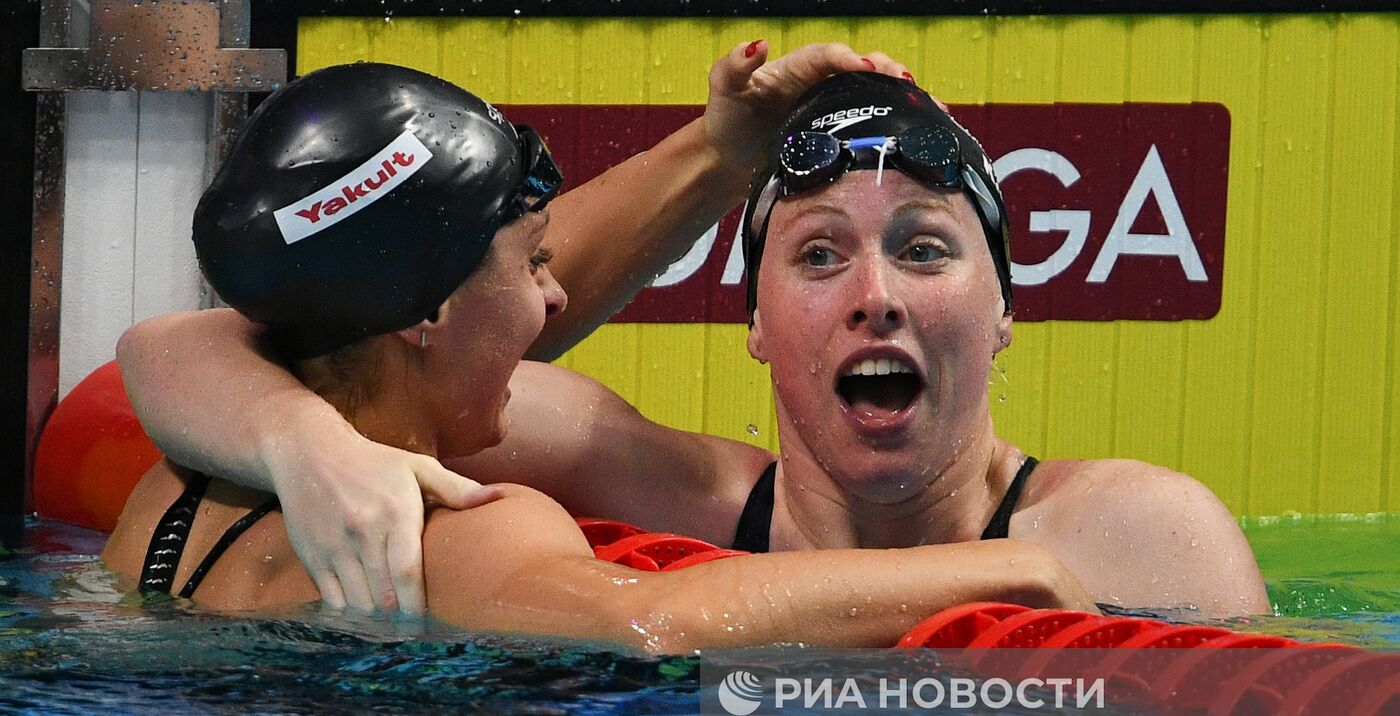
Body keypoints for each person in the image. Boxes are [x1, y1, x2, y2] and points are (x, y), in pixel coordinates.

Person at [118, 67, 1266, 620]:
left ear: (1005, 306)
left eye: (923, 249)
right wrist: (296, 435)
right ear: (755, 325)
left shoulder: (1139, 536)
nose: (875, 295)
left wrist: (292, 434)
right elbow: (204, 340)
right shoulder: (636, 482)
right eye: (817, 255)